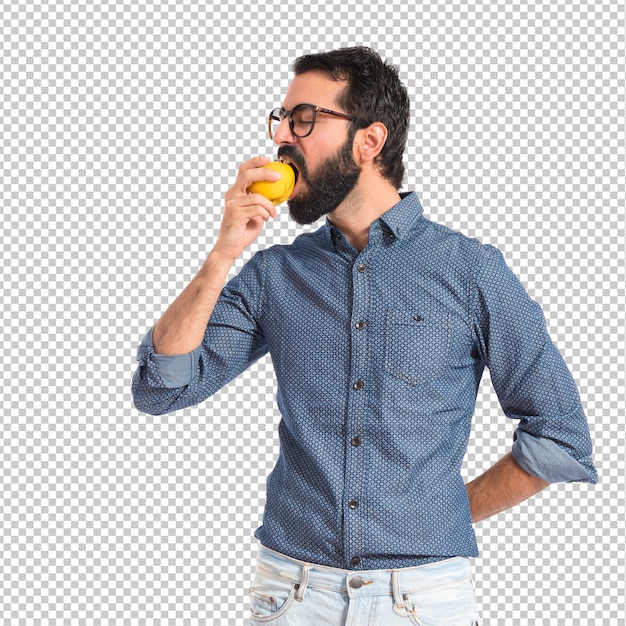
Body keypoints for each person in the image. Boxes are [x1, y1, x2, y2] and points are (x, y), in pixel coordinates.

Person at [132, 47, 597, 625]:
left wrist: (439, 514)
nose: (283, 138)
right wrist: (223, 253)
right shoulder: (275, 275)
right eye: (280, 118)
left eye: (305, 119)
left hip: (422, 601)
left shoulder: (470, 271)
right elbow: (163, 388)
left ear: (369, 142)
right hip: (289, 596)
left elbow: (561, 439)